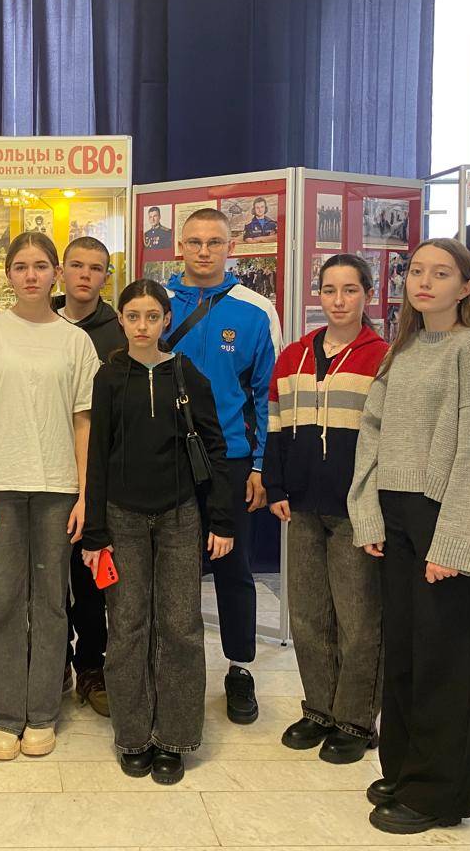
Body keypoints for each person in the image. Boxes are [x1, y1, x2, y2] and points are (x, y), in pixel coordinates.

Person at [349, 238, 470, 835]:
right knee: (407, 653)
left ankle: (437, 793)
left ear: (465, 287)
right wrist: (369, 515)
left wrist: (454, 543)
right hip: (398, 513)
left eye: (441, 274)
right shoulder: (405, 348)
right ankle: (405, 769)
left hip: (443, 516)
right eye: (416, 271)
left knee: (444, 658)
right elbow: (372, 434)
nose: (424, 281)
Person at [81, 280, 237, 785]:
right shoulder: (109, 377)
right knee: (127, 626)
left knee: (180, 626)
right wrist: (95, 533)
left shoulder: (187, 374)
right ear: (121, 321)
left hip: (179, 516)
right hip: (122, 518)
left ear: (166, 320)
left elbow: (216, 448)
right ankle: (132, 735)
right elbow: (97, 456)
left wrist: (222, 520)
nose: (142, 326)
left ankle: (175, 737)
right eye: (133, 316)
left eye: (152, 316)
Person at [0, 232, 100, 761]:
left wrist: (85, 495)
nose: (32, 275)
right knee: (2, 601)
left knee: (51, 602)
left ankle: (41, 712)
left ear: (56, 274)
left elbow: (84, 422)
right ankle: (4, 713)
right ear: (9, 274)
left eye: (41, 266)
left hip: (58, 490)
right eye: (21, 267)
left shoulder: (75, 342)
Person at [264, 254, 389, 764]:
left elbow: (388, 442)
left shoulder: (383, 357)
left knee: (358, 618)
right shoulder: (292, 356)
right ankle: (319, 707)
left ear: (367, 295)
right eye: (330, 290)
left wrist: (377, 504)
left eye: (350, 290)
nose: (339, 300)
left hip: (356, 510)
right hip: (302, 507)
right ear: (318, 294)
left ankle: (355, 719)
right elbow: (274, 424)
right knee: (308, 615)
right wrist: (275, 486)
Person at [165, 207, 281, 725]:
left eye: (214, 242)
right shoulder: (158, 305)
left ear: (230, 247)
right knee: (173, 571)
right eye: (195, 241)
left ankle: (239, 668)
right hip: (168, 463)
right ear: (181, 246)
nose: (204, 251)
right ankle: (175, 666)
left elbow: (266, 396)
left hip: (231, 463)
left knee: (234, 570)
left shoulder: (255, 311)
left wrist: (259, 466)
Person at [51, 236, 127, 717]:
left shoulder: (120, 331)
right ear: (61, 272)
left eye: (95, 268)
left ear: (106, 277)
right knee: (48, 579)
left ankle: (92, 666)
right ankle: (55, 660)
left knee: (92, 578)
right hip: (44, 469)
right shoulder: (39, 322)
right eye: (76, 265)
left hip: (99, 475)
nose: (85, 275)